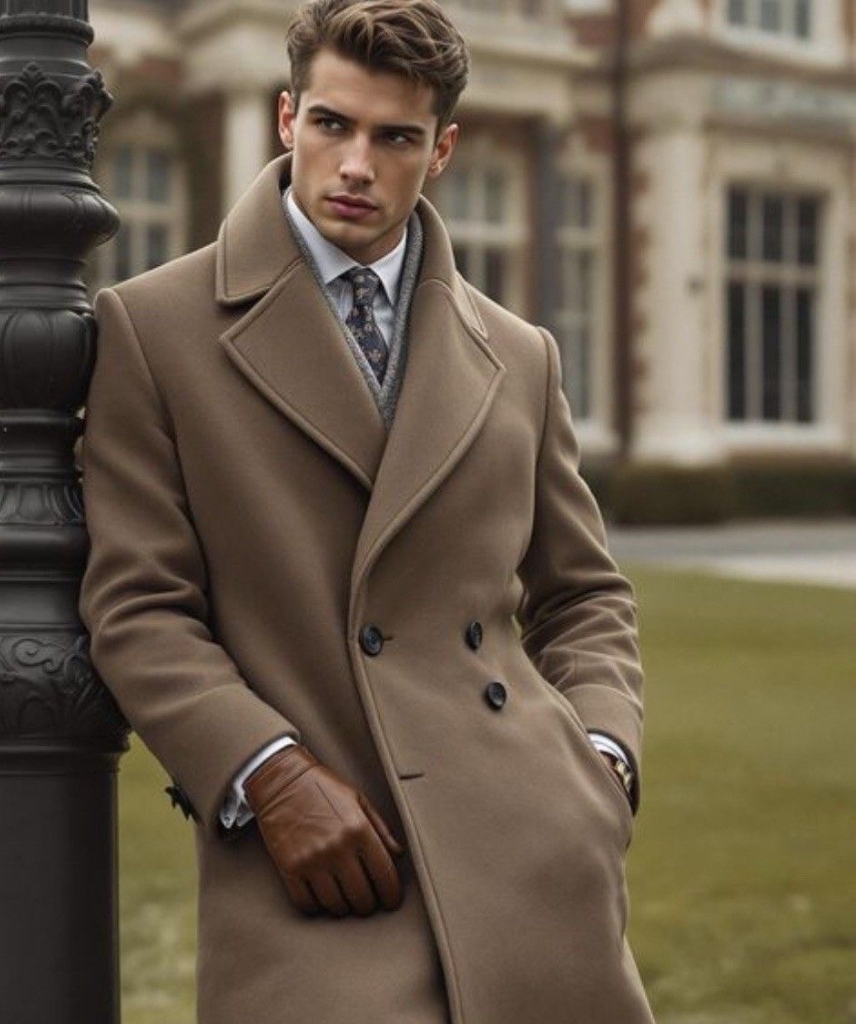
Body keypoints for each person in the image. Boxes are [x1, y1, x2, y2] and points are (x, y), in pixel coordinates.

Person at [79, 1, 655, 1022]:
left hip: (531, 855)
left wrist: (599, 762)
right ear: (285, 116)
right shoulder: (156, 327)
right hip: (321, 860)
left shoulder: (518, 353)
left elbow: (583, 593)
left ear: (441, 151)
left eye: (393, 137)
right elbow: (138, 605)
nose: (356, 164)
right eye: (333, 125)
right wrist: (268, 772)